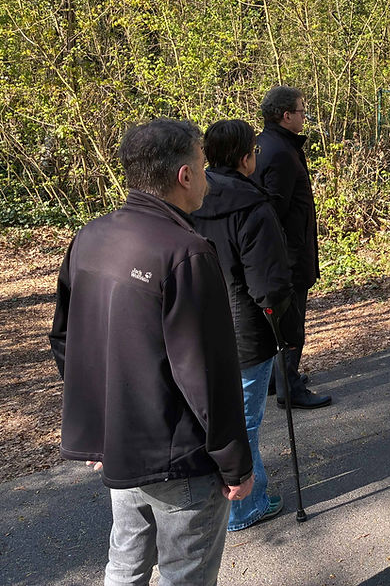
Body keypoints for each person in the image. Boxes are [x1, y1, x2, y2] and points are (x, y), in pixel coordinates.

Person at [49, 119, 253, 586]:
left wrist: (103, 423)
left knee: (125, 564)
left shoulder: (91, 237)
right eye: (203, 167)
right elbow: (208, 374)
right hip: (180, 458)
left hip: (121, 446)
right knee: (186, 573)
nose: (207, 177)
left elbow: (65, 340)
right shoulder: (187, 252)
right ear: (184, 176)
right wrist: (237, 464)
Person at [192, 119, 294, 530]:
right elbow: (269, 286)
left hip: (196, 330)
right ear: (245, 158)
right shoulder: (254, 206)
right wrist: (281, 318)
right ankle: (243, 508)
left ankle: (222, 500)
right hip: (245, 332)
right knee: (244, 422)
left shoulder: (188, 199)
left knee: (210, 418)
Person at [255, 85, 332, 409]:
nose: (305, 116)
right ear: (286, 115)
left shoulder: (268, 145)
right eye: (302, 111)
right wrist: (290, 256)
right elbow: (275, 211)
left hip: (286, 252)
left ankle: (277, 380)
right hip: (289, 257)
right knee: (292, 323)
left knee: (283, 320)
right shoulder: (281, 153)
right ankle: (289, 388)